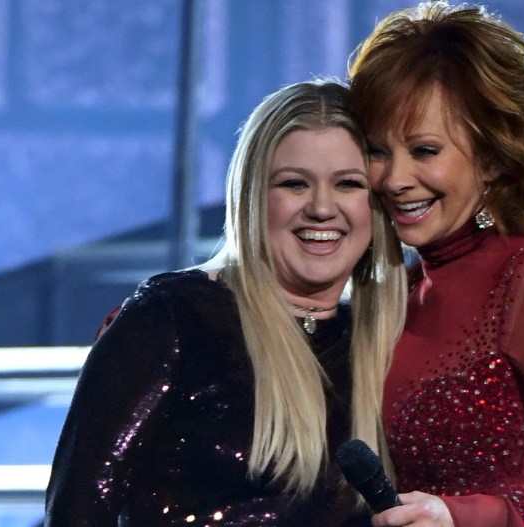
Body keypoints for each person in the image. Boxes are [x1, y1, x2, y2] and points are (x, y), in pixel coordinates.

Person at [44, 79, 407, 526]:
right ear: (251, 197)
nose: (321, 208)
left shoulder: (380, 346)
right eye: (294, 184)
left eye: (348, 184)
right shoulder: (172, 316)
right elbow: (78, 510)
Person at [347, 2, 524, 526]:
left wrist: (468, 516)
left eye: (424, 149)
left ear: (493, 157)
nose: (394, 179)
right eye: (378, 151)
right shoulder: (404, 291)